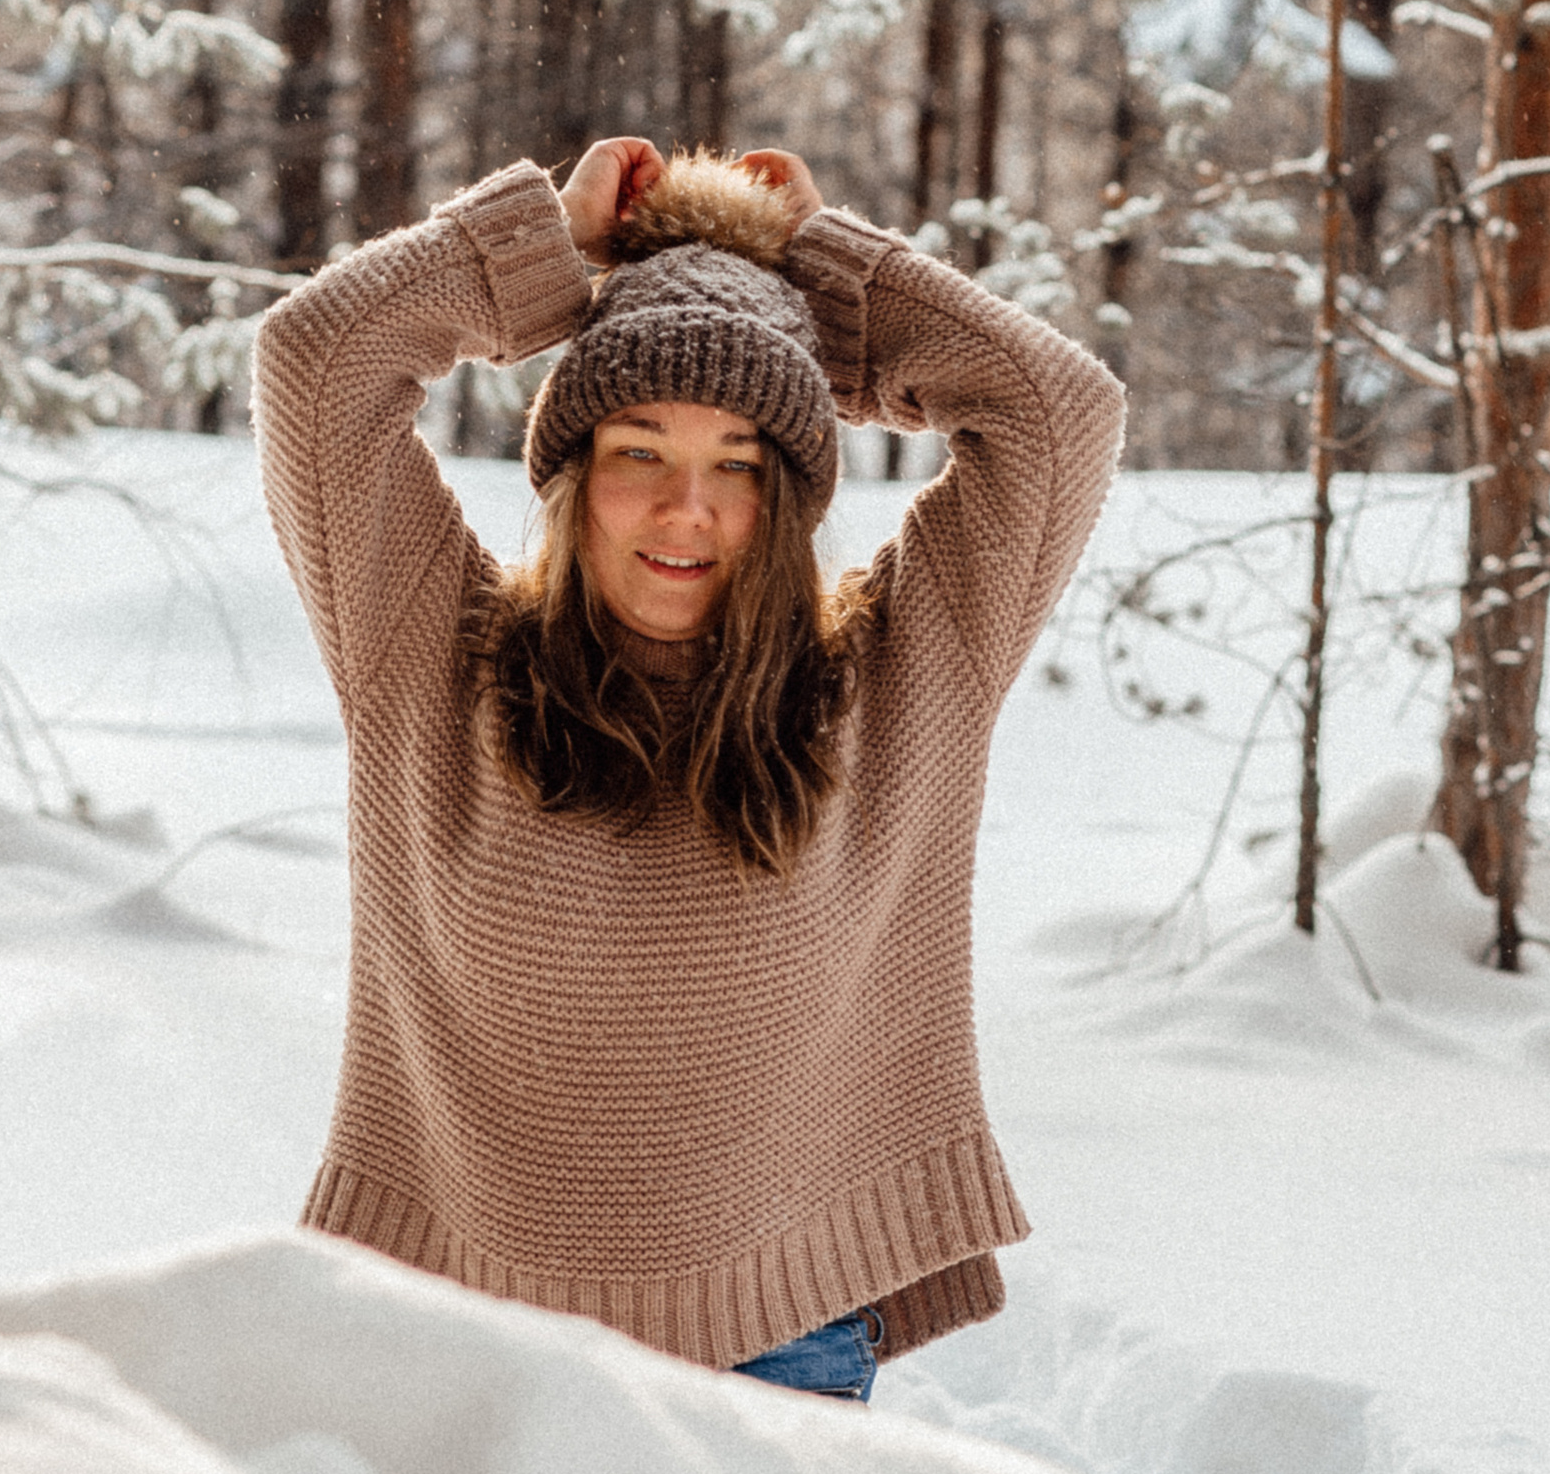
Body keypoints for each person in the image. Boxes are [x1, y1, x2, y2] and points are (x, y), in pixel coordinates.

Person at [251, 135, 1124, 1401]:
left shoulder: (889, 683)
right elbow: (318, 361)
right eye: (639, 450)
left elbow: (1055, 412)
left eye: (740, 464)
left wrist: (827, 279)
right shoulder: (431, 655)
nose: (686, 510)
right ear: (572, 475)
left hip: (782, 1337)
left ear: (793, 497)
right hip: (459, 1336)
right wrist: (547, 247)